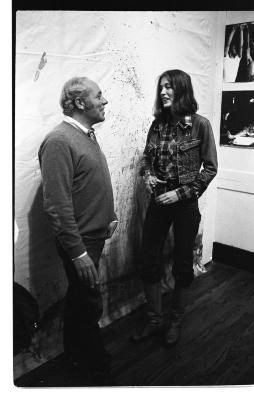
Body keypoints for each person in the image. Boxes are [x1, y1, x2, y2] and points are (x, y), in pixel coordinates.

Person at [38, 77, 118, 385]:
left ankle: (75, 358)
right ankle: (93, 369)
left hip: (92, 236)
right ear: (81, 103)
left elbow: (87, 184)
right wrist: (79, 252)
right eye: (99, 96)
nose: (105, 101)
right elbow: (57, 207)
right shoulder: (59, 141)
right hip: (81, 243)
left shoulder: (85, 135)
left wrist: (107, 216)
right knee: (88, 305)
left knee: (80, 302)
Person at [131, 69, 218, 347]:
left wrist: (179, 194)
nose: (163, 92)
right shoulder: (157, 125)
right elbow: (146, 158)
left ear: (182, 90)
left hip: (185, 205)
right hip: (159, 201)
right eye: (161, 88)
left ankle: (175, 320)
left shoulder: (200, 125)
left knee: (182, 263)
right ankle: (155, 319)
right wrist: (147, 176)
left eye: (168, 87)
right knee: (148, 259)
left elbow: (210, 168)